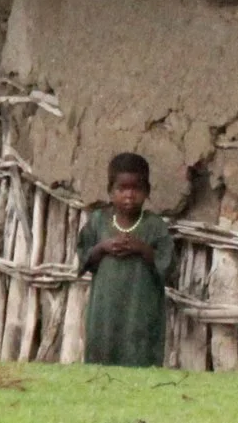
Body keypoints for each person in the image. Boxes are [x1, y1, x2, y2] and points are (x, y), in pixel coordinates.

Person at [76, 152, 173, 367]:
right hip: (105, 308)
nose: (129, 195)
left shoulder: (154, 226)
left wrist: (142, 249)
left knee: (139, 356)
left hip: (141, 307)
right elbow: (84, 258)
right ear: (110, 191)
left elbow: (167, 266)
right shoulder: (99, 221)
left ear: (147, 191)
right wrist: (102, 247)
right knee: (102, 359)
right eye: (122, 189)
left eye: (136, 189)